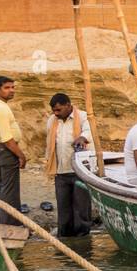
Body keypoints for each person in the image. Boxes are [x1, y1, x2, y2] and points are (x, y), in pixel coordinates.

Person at [44, 93, 91, 236]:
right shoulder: (52, 120)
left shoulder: (83, 116)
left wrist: (82, 137)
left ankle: (82, 239)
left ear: (68, 106)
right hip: (61, 171)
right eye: (54, 110)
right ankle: (65, 237)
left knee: (81, 207)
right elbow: (49, 142)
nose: (55, 113)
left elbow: (90, 131)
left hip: (80, 171)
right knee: (63, 208)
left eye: (58, 110)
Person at [0, 76, 26, 226]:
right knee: (9, 190)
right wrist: (21, 155)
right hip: (5, 149)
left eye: (13, 87)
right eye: (7, 88)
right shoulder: (0, 108)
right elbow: (7, 138)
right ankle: (10, 225)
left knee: (2, 185)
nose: (11, 90)